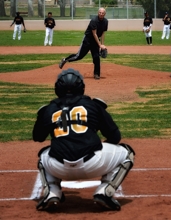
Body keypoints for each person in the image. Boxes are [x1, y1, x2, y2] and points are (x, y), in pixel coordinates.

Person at [32, 68, 135, 211]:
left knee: (43, 155)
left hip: (58, 167)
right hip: (93, 163)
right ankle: (105, 191)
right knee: (127, 153)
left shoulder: (49, 109)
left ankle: (51, 192)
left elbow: (37, 137)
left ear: (57, 88)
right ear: (81, 87)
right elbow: (115, 137)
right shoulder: (93, 105)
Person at [59, 7, 108, 80]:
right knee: (79, 56)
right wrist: (99, 45)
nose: (101, 14)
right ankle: (65, 60)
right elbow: (94, 34)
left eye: (102, 13)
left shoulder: (105, 21)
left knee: (96, 58)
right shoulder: (94, 20)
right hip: (88, 40)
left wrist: (102, 45)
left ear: (105, 14)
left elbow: (103, 33)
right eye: (99, 12)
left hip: (96, 42)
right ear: (98, 13)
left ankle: (96, 74)